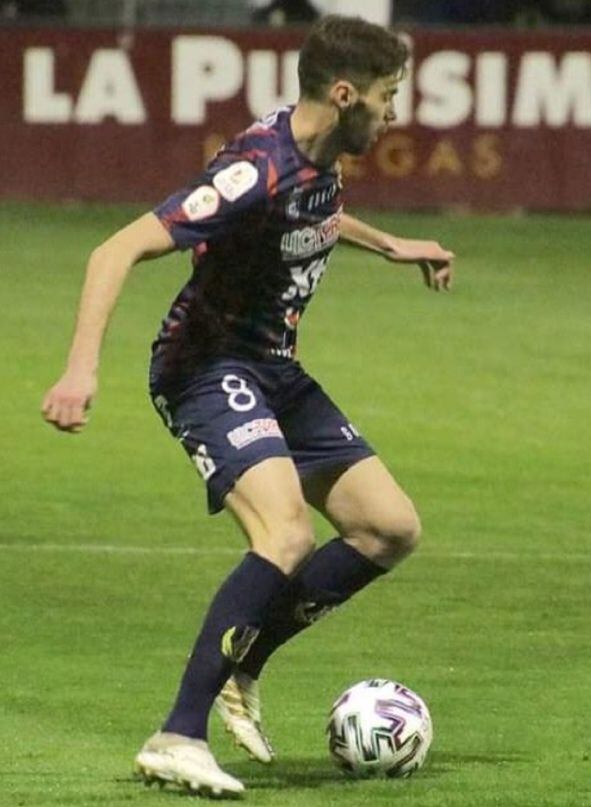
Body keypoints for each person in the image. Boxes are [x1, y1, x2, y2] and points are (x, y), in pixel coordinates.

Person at [41, 15, 454, 798]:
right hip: (205, 368)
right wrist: (78, 372)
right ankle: (177, 734)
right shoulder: (254, 169)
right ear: (343, 95)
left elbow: (315, 214)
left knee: (389, 527)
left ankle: (245, 667)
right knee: (287, 532)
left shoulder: (320, 151)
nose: (395, 111)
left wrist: (394, 246)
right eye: (387, 95)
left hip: (275, 370)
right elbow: (115, 248)